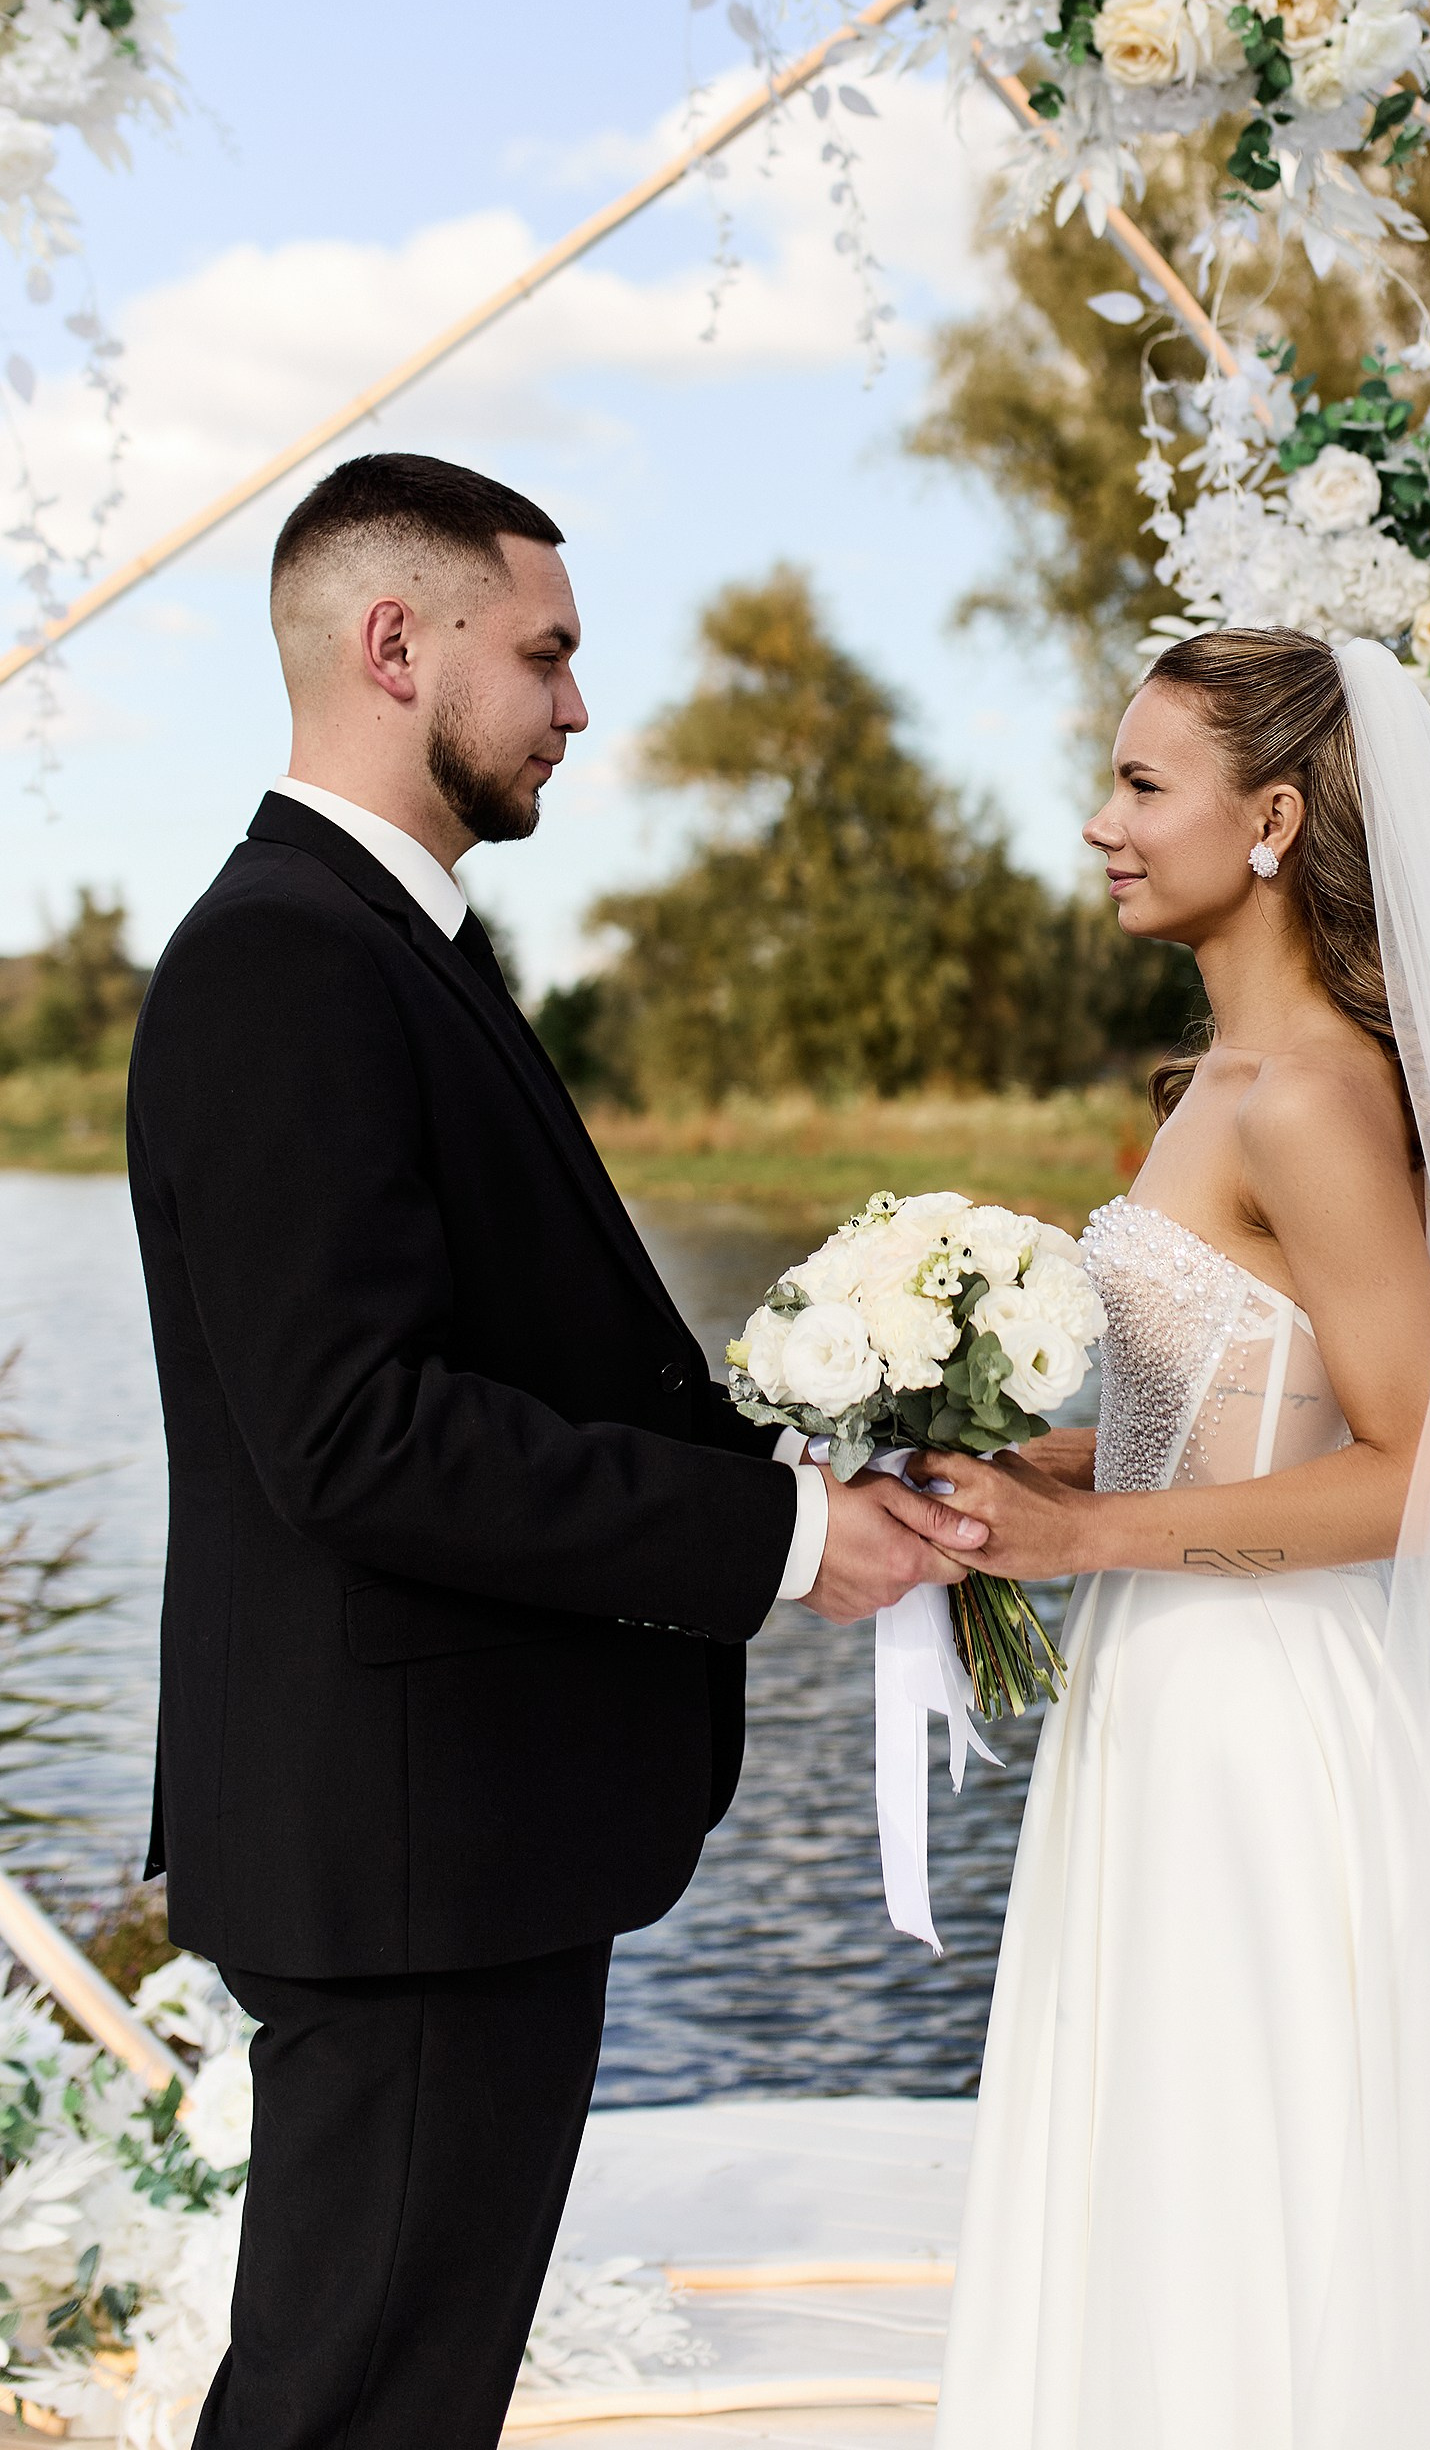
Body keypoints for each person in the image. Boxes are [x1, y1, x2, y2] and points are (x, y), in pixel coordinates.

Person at [126, 451, 984, 2450]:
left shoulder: (395, 943)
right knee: (354, 2400)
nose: (579, 706)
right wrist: (775, 1543)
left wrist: (830, 1427)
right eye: (549, 652)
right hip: (401, 1847)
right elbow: (354, 1432)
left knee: (399, 2389)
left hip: (454, 1831)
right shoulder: (287, 959)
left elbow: (510, 1348)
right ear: (393, 640)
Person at [921, 629, 1430, 2449]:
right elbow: (1247, 1400)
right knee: (1172, 2167)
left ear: (1277, 817)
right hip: (1163, 1697)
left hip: (1264, 1722)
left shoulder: (1306, 1097)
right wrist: (1018, 1473)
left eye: (1145, 787)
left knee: (1260, 2176)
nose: (1100, 825)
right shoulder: (1215, 1084)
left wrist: (1094, 1534)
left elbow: (1429, 1470)